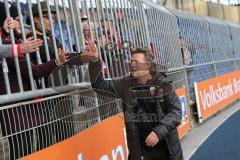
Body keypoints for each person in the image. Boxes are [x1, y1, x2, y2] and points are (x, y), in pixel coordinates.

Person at [84, 47, 183, 160]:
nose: (132, 65)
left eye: (136, 62)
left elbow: (176, 112)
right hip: (140, 153)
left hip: (167, 152)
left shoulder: (163, 83)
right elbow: (99, 86)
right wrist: (95, 62)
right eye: (131, 61)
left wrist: (159, 131)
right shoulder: (124, 84)